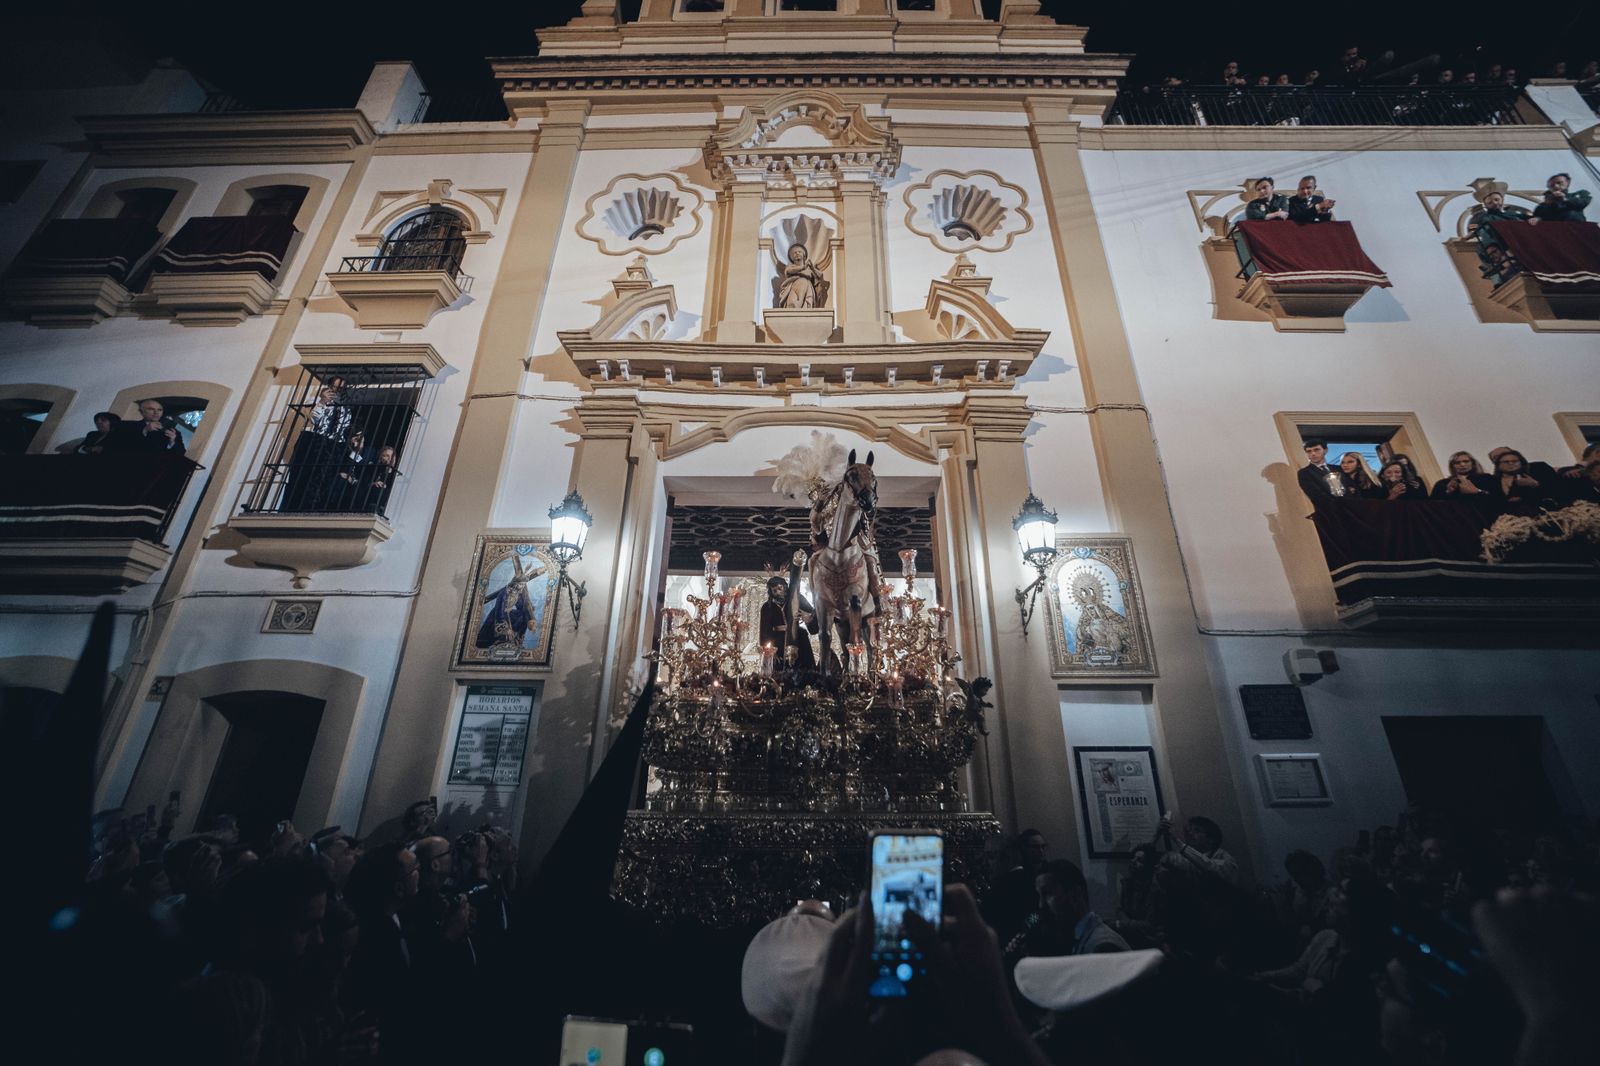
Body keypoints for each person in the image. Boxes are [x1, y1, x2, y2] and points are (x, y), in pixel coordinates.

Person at [283, 379, 350, 511]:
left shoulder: (344, 409)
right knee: (302, 477)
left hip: (331, 445)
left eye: (340, 388)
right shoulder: (313, 401)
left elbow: (342, 431)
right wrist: (322, 402)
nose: (336, 390)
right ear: (328, 387)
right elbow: (314, 418)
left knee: (322, 479)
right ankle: (292, 508)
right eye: (334, 387)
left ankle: (315, 508)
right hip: (312, 441)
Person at [985, 829, 1049, 947]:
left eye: (991, 856)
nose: (989, 863)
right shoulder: (1035, 880)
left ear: (1008, 856)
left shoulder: (998, 888)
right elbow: (1038, 914)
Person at [1467, 185, 1534, 285]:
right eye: (1490, 202)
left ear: (1502, 200)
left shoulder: (1512, 214)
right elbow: (1474, 230)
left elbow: (1529, 220)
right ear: (1485, 205)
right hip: (1500, 243)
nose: (1494, 203)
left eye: (1496, 200)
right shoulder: (1482, 218)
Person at [1157, 813, 1240, 886]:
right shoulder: (1178, 857)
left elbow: (1210, 867)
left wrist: (1177, 840)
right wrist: (1157, 834)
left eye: (1197, 830)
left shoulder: (1224, 858)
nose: (1189, 833)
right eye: (1188, 830)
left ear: (1211, 839)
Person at [760, 574, 817, 673]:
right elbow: (764, 631)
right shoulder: (767, 607)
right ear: (771, 592)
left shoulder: (798, 599)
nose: (778, 592)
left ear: (785, 586)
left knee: (804, 671)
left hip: (799, 638)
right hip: (778, 643)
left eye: (780, 588)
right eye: (774, 590)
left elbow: (812, 617)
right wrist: (770, 652)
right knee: (780, 672)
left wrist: (808, 617)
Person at [109, 398, 185, 455]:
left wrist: (171, 442)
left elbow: (181, 454)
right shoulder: (126, 426)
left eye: (159, 410)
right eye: (151, 409)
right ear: (142, 412)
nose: (156, 412)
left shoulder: (174, 432)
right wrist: (144, 431)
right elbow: (117, 446)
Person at [1482, 449, 1549, 512]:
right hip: (1505, 518)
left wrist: (1535, 484)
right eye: (1506, 462)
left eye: (1514, 461)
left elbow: (1551, 492)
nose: (1510, 463)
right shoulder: (1491, 481)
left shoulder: (1535, 471)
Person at [775, 243, 828, 308]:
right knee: (792, 305)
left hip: (806, 289)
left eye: (799, 252)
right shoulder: (791, 267)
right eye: (794, 253)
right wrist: (803, 267)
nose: (797, 253)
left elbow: (820, 276)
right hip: (794, 287)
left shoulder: (809, 269)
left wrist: (812, 268)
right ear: (792, 258)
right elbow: (788, 271)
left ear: (804, 256)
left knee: (805, 308)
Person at [359, 444, 400, 515]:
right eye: (386, 456)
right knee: (378, 487)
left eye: (392, 456)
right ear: (381, 457)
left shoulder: (396, 474)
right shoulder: (373, 469)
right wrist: (374, 483)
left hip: (387, 503)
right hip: (370, 497)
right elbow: (363, 484)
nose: (390, 458)